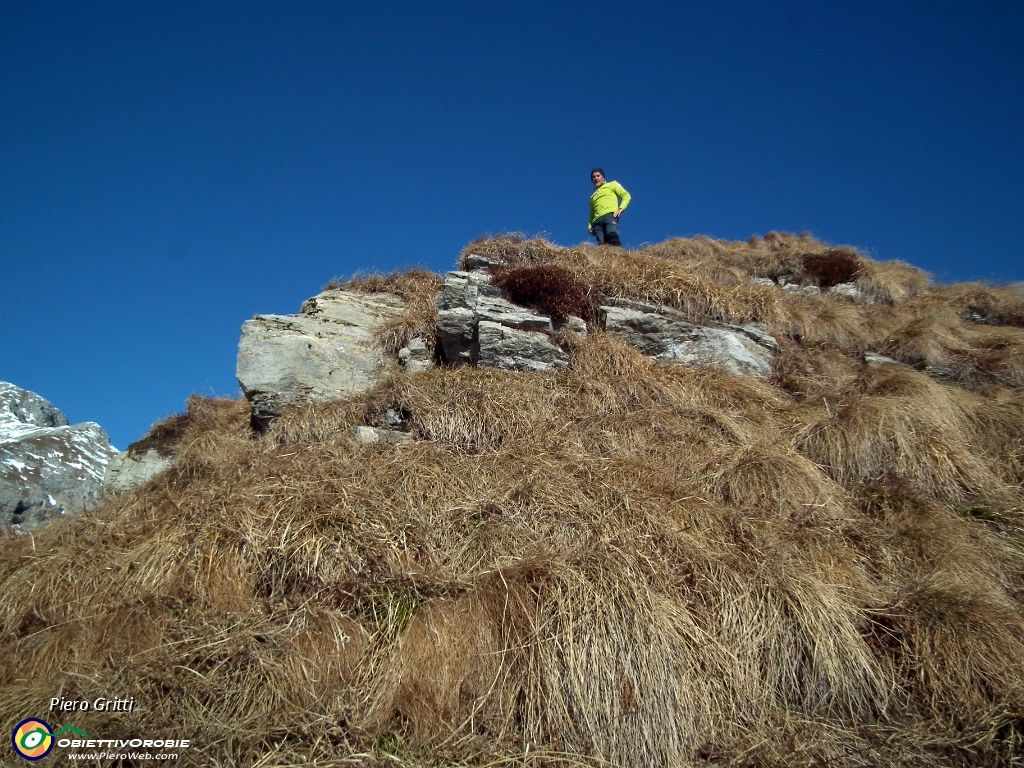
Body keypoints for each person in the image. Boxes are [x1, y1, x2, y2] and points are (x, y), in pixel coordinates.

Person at [588, 168, 630, 246]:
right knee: (601, 245)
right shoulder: (592, 197)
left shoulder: (612, 185)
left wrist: (621, 208)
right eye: (593, 177)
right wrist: (590, 226)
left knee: (612, 237)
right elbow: (592, 213)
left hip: (609, 216)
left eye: (598, 176)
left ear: (603, 178)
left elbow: (626, 195)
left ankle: (620, 256)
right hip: (596, 222)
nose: (596, 178)